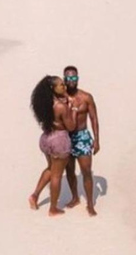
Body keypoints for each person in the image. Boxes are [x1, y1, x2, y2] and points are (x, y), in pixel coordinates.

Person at [29, 75, 77, 216]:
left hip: (46, 138)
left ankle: (35, 195)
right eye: (61, 85)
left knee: (50, 168)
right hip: (59, 141)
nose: (65, 86)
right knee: (57, 175)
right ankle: (53, 208)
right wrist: (73, 110)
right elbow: (71, 126)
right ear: (53, 88)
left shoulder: (45, 103)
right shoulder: (61, 107)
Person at [63, 65, 100, 216]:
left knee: (86, 171)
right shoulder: (61, 97)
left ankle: (90, 204)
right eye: (68, 78)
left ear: (78, 78)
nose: (71, 80)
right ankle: (75, 197)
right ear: (64, 79)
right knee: (70, 170)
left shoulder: (86, 97)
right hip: (66, 136)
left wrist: (96, 140)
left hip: (82, 136)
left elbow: (94, 118)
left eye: (74, 77)